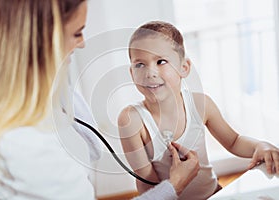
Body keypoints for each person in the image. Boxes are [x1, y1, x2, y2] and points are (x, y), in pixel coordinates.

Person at [0, 1, 200, 199]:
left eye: (161, 61)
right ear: (42, 40)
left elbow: (90, 148)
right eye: (77, 33)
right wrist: (175, 186)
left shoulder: (43, 97)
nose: (83, 43)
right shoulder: (26, 145)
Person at [118, 21, 279, 200]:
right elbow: (146, 183)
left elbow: (234, 141)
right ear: (131, 73)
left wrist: (260, 146)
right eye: (140, 65)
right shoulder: (131, 120)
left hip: (214, 194)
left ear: (184, 67)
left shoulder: (201, 104)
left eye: (161, 61)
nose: (150, 73)